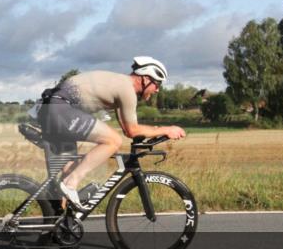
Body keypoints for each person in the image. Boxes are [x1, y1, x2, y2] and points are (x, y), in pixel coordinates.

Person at [38, 56, 186, 208]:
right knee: (113, 141)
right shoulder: (126, 90)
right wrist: (167, 129)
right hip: (60, 108)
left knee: (67, 171)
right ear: (145, 78)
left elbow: (128, 130)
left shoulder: (119, 84)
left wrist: (153, 132)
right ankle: (71, 183)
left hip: (51, 107)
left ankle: (58, 224)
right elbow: (132, 130)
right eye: (157, 83)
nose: (157, 89)